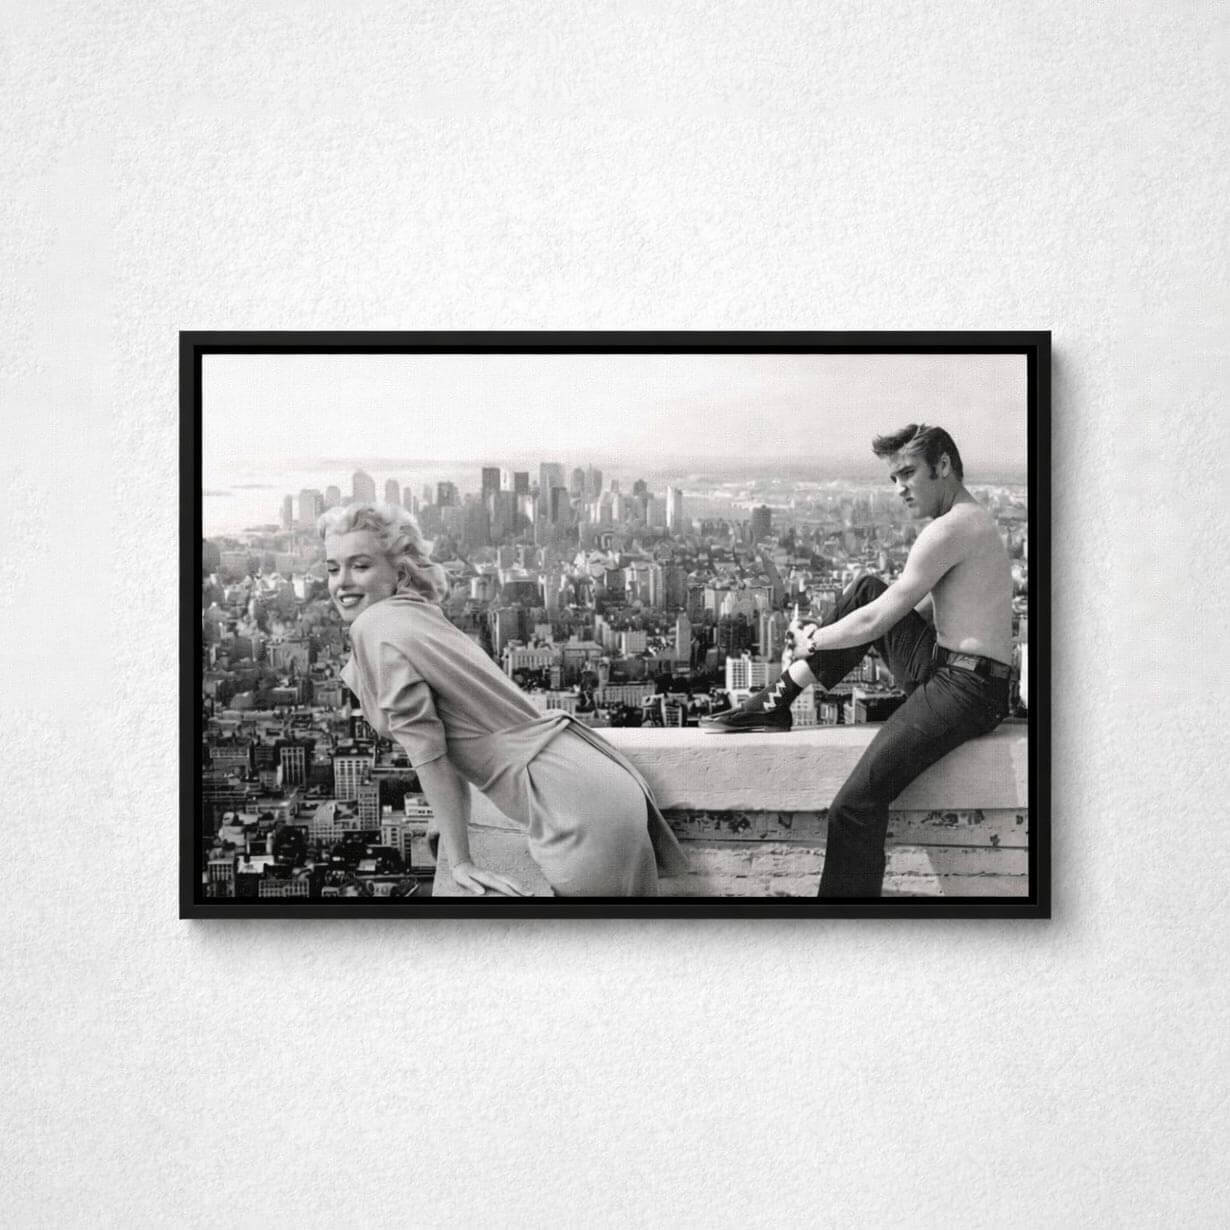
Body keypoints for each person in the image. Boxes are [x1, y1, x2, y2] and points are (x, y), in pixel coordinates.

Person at [701, 424, 1013, 898]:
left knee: (854, 806)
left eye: (908, 473)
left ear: (943, 466)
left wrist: (813, 640)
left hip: (966, 690)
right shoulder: (970, 521)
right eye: (893, 479)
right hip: (954, 670)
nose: (899, 489)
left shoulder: (950, 529)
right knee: (868, 585)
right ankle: (777, 700)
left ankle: (845, 924)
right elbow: (920, 610)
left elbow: (874, 622)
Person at [320, 503, 687, 897]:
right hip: (596, 783)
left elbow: (430, 756)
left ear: (401, 571)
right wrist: (449, 820)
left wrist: (460, 862)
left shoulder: (376, 626)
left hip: (572, 810)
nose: (342, 582)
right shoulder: (415, 614)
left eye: (359, 566)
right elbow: (453, 739)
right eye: (332, 568)